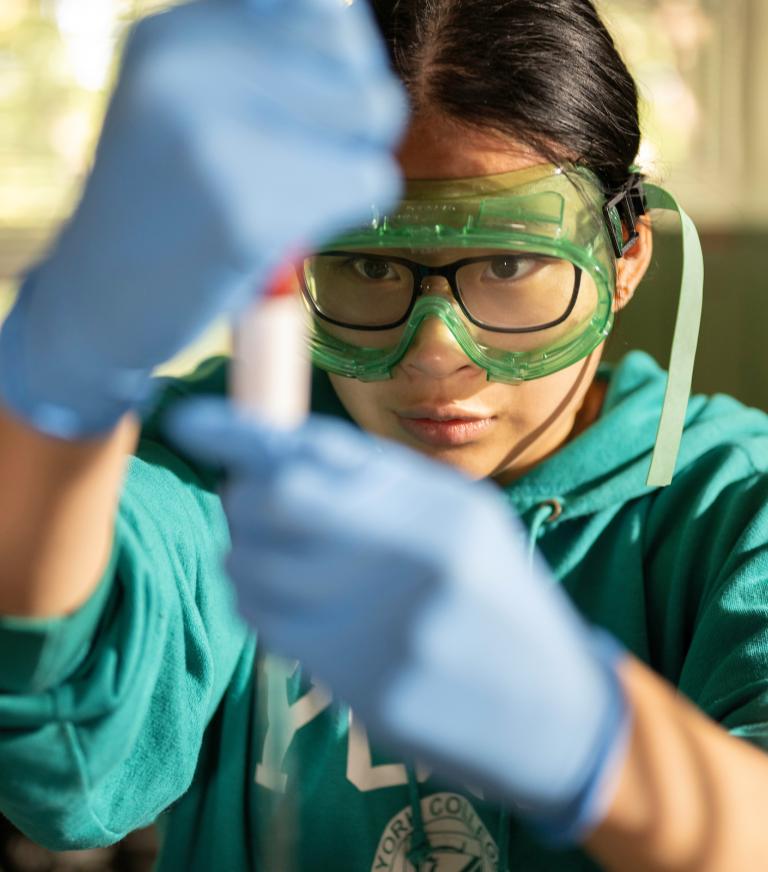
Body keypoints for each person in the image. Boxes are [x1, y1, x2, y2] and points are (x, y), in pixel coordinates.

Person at [1, 1, 767, 871]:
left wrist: (606, 750)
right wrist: (56, 390)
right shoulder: (227, 459)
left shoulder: (739, 507)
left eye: (509, 263)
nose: (437, 351)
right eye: (371, 265)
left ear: (626, 259)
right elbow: (62, 732)